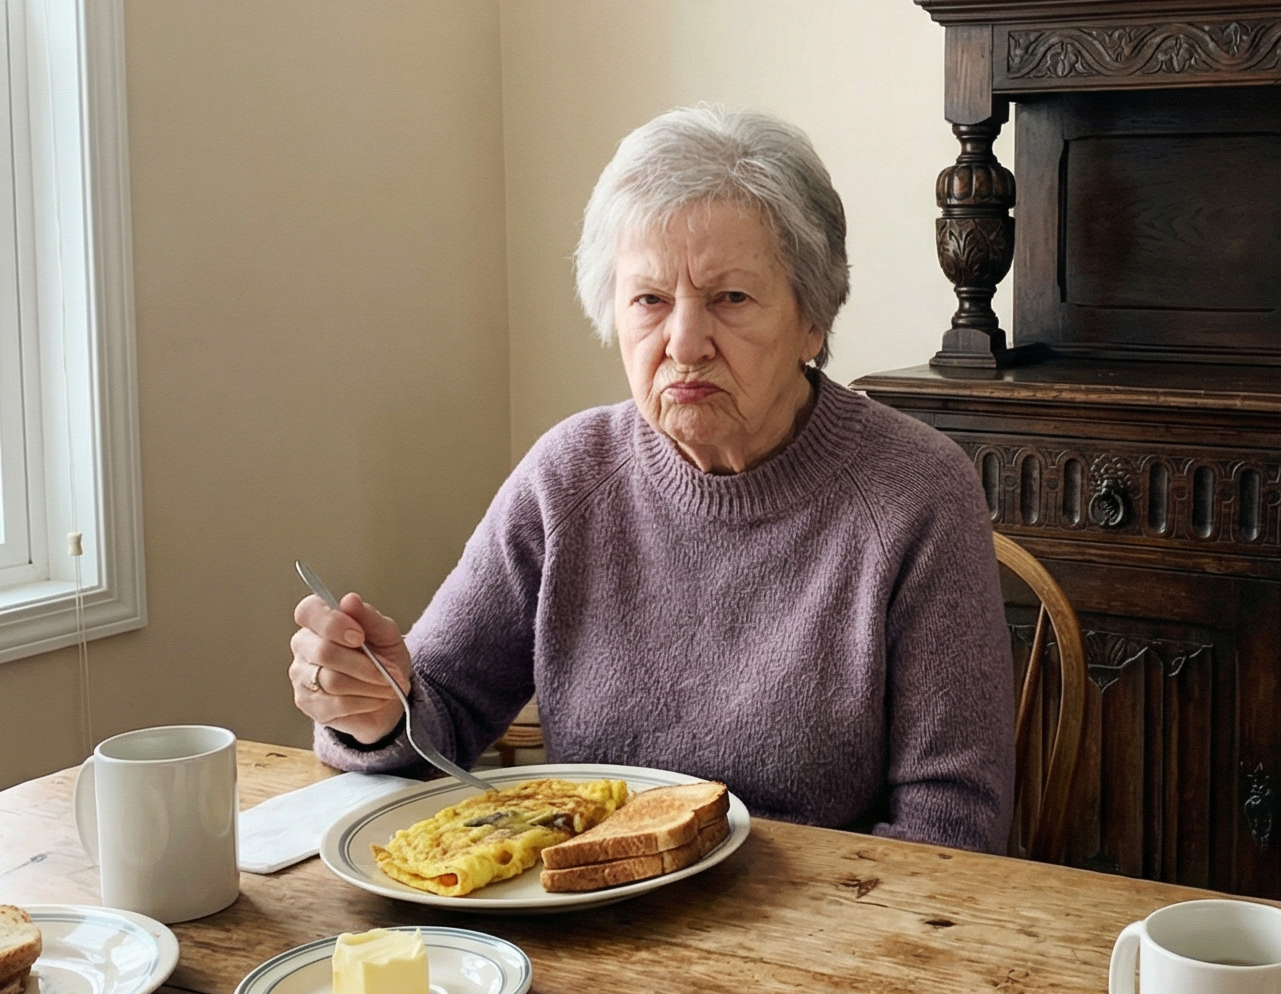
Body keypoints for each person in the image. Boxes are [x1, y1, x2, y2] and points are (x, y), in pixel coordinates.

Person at [291, 105, 1015, 851]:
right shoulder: (569, 474)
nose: (685, 342)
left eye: (730, 298)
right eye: (650, 300)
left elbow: (952, 827)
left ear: (813, 319)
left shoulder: (918, 493)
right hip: (591, 913)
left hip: (823, 937)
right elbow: (438, 710)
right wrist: (377, 710)